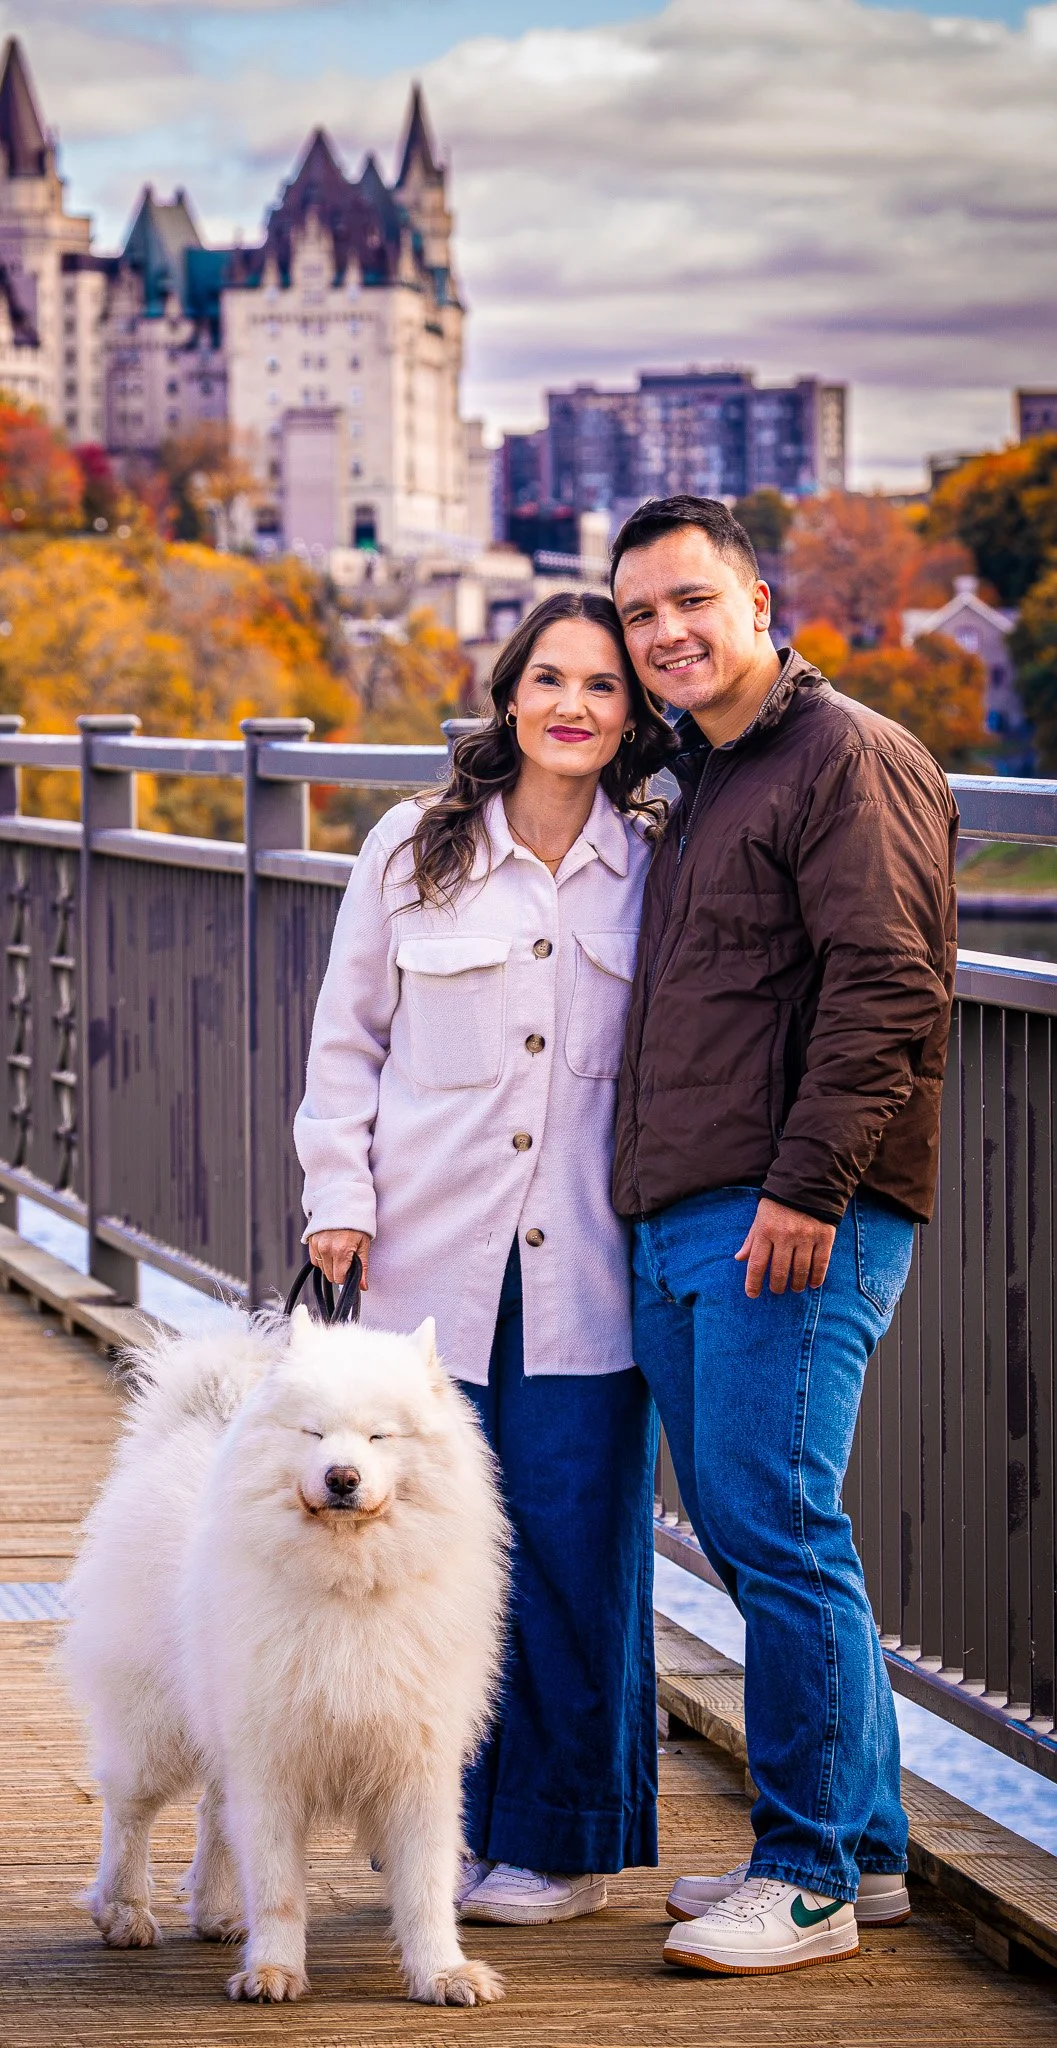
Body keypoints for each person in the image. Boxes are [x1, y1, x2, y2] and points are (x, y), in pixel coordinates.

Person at [609, 496, 958, 1976]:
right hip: (694, 1208)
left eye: (690, 601)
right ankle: (864, 1850)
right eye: (638, 616)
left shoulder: (846, 758)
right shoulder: (707, 772)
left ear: (759, 600)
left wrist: (810, 1189)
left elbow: (889, 987)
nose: (664, 633)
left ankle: (803, 1874)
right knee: (760, 1539)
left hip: (791, 1215)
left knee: (782, 1532)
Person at [294, 591, 676, 1926]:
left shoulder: (656, 861)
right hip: (422, 1271)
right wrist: (336, 1190)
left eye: (606, 688)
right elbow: (347, 1040)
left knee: (577, 1552)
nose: (575, 705)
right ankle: (439, 1825)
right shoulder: (414, 848)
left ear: (633, 717)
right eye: (552, 679)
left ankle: (564, 1844)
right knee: (434, 1566)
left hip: (587, 1267)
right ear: (510, 694)